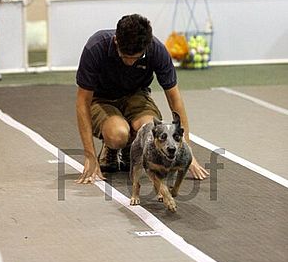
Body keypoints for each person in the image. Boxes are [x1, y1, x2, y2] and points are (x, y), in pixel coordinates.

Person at [76, 14, 209, 184]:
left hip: (136, 95)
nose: (130, 63)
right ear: (116, 41)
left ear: (146, 47)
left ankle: (129, 148)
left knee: (150, 130)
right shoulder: (95, 47)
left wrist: (186, 153)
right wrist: (90, 156)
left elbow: (175, 100)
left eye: (136, 58)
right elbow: (82, 102)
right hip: (102, 99)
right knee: (118, 134)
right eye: (125, 57)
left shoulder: (157, 50)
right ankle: (113, 146)